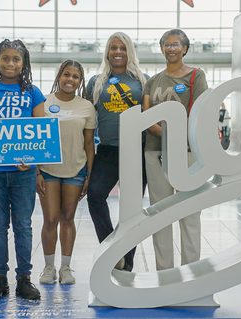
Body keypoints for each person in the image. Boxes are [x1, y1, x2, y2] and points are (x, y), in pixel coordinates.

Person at [0, 39, 45, 300]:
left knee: (23, 227)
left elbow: (41, 131)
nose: (11, 63)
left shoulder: (33, 92)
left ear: (24, 63)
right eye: (6, 58)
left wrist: (34, 161)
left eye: (16, 59)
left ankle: (24, 279)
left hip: (24, 173)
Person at [142, 29, 208, 271]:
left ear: (185, 48)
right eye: (167, 44)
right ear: (161, 49)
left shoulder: (196, 76)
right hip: (156, 151)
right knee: (160, 213)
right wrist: (167, 134)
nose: (171, 48)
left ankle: (191, 271)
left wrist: (177, 137)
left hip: (188, 152)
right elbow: (147, 118)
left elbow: (201, 113)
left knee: (190, 211)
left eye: (176, 44)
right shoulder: (152, 81)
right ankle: (164, 272)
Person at [86, 32, 149, 272]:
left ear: (129, 51)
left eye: (123, 47)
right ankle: (110, 247)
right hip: (108, 150)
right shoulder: (96, 82)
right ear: (107, 52)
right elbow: (87, 115)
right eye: (113, 47)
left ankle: (126, 263)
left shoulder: (143, 80)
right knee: (95, 195)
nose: (118, 52)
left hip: (137, 150)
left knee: (132, 209)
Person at [36, 60, 96, 285]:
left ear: (80, 81)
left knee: (68, 218)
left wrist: (89, 174)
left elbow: (89, 143)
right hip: (47, 170)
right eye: (66, 74)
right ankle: (49, 267)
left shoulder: (87, 106)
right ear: (59, 76)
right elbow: (33, 138)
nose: (70, 80)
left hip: (76, 170)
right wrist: (36, 172)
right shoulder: (42, 102)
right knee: (50, 219)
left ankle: (66, 268)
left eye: (76, 77)